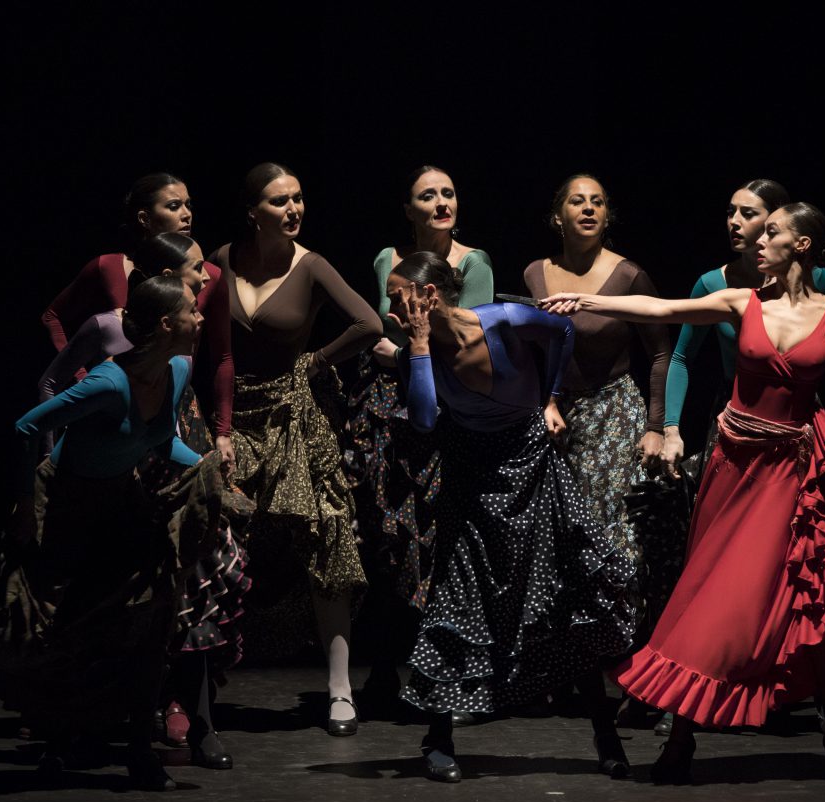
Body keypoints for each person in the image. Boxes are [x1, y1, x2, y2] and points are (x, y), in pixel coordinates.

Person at [542, 202, 825, 783]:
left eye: (770, 234)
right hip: (739, 473)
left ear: (802, 246)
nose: (756, 242)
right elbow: (663, 309)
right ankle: (681, 739)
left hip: (802, 477)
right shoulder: (743, 301)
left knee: (816, 602)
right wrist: (590, 301)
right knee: (715, 599)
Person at [0, 276, 223, 794]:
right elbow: (25, 428)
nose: (200, 319)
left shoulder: (176, 370)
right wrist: (21, 509)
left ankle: (139, 758)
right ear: (168, 324)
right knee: (16, 627)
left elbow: (161, 441)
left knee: (149, 625)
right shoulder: (108, 383)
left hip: (120, 508)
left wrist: (212, 472)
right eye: (193, 311)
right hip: (64, 508)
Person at [386, 252, 636, 783]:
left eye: (397, 295)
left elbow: (563, 333)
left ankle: (605, 734)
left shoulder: (505, 321)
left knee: (569, 599)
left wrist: (550, 398)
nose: (390, 307)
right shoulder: (418, 352)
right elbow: (426, 419)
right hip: (470, 475)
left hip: (531, 465)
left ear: (429, 296)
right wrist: (419, 346)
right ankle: (438, 736)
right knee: (458, 597)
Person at [41, 231, 248, 768]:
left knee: (197, 580)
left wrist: (214, 449)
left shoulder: (186, 326)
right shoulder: (115, 327)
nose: (207, 278)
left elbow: (214, 360)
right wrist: (61, 451)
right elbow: (51, 386)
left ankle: (199, 719)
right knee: (125, 593)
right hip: (125, 463)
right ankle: (105, 718)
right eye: (196, 269)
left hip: (178, 437)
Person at [209, 162, 381, 735]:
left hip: (292, 414)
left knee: (326, 533)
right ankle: (196, 683)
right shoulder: (222, 258)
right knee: (217, 539)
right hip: (231, 416)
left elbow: (368, 321)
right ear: (253, 211)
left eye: (299, 199)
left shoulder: (311, 265)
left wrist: (318, 361)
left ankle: (339, 688)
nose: (294, 210)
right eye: (281, 201)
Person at [347, 166, 494, 710]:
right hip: (388, 407)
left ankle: (441, 672)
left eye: (448, 193)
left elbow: (464, 337)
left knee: (436, 541)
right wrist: (399, 353)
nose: (440, 203)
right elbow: (386, 328)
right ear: (407, 209)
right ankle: (384, 668)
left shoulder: (473, 262)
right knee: (384, 539)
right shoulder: (388, 260)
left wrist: (408, 353)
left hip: (442, 403)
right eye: (427, 195)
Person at [523, 174, 669, 585]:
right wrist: (545, 403)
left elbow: (661, 352)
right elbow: (531, 352)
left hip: (614, 413)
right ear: (557, 217)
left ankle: (623, 632)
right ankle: (572, 638)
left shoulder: (628, 275)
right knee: (556, 532)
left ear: (607, 217)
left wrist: (656, 427)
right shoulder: (536, 274)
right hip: (556, 416)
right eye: (577, 201)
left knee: (611, 531)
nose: (589, 208)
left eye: (598, 202)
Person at [38, 172, 234, 469]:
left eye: (188, 205)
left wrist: (223, 432)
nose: (186, 215)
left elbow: (222, 356)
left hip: (173, 409)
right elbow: (53, 317)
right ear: (144, 218)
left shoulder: (207, 275)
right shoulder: (109, 267)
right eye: (173, 206)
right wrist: (81, 375)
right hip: (115, 405)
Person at [662, 178, 825, 475]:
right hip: (736, 414)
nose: (734, 222)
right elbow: (681, 357)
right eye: (730, 212)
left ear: (776, 219)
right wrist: (671, 428)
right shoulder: (714, 284)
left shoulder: (814, 279)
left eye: (748, 214)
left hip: (797, 414)